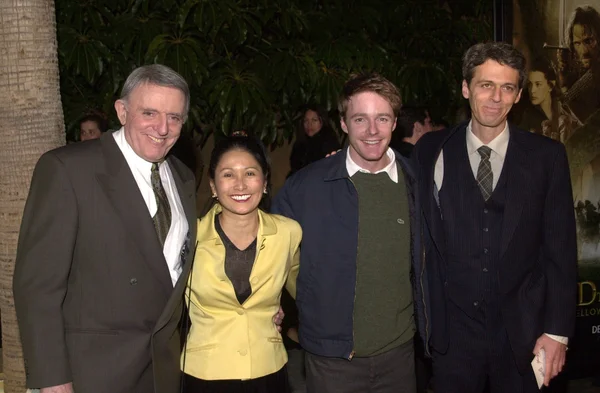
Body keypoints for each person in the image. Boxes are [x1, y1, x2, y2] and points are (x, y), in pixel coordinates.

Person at [14, 64, 197, 393]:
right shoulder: (68, 170)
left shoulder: (183, 177)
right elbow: (37, 288)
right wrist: (52, 379)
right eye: (150, 113)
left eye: (174, 117)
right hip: (92, 374)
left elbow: (173, 270)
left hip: (160, 372)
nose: (163, 127)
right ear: (122, 111)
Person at [413, 42, 577, 393]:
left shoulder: (546, 158)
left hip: (524, 333)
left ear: (518, 96)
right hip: (453, 335)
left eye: (507, 88)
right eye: (486, 85)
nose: (495, 97)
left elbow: (560, 251)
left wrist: (557, 331)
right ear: (465, 88)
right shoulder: (431, 150)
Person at [273, 72, 428, 393]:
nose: (372, 131)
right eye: (360, 119)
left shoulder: (419, 183)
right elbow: (273, 255)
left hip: (399, 355)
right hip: (331, 360)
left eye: (382, 118)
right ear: (343, 123)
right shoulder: (305, 187)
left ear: (395, 122)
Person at [181, 134, 301, 393]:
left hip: (268, 371)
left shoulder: (288, 233)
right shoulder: (189, 236)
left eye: (249, 173)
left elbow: (305, 291)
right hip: (205, 374)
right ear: (213, 186)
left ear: (265, 182)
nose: (240, 185)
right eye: (227, 175)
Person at [556, 5, 600, 124]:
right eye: (577, 44)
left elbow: (588, 122)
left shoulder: (595, 73)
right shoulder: (585, 72)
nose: (584, 51)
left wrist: (564, 84)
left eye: (589, 41)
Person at [519, 59, 579, 142]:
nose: (532, 90)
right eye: (530, 84)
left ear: (550, 86)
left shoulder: (564, 111)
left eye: (538, 84)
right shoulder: (528, 116)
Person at [288, 105, 340, 176]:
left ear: (322, 121)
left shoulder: (330, 144)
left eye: (314, 120)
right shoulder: (299, 144)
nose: (309, 124)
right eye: (306, 121)